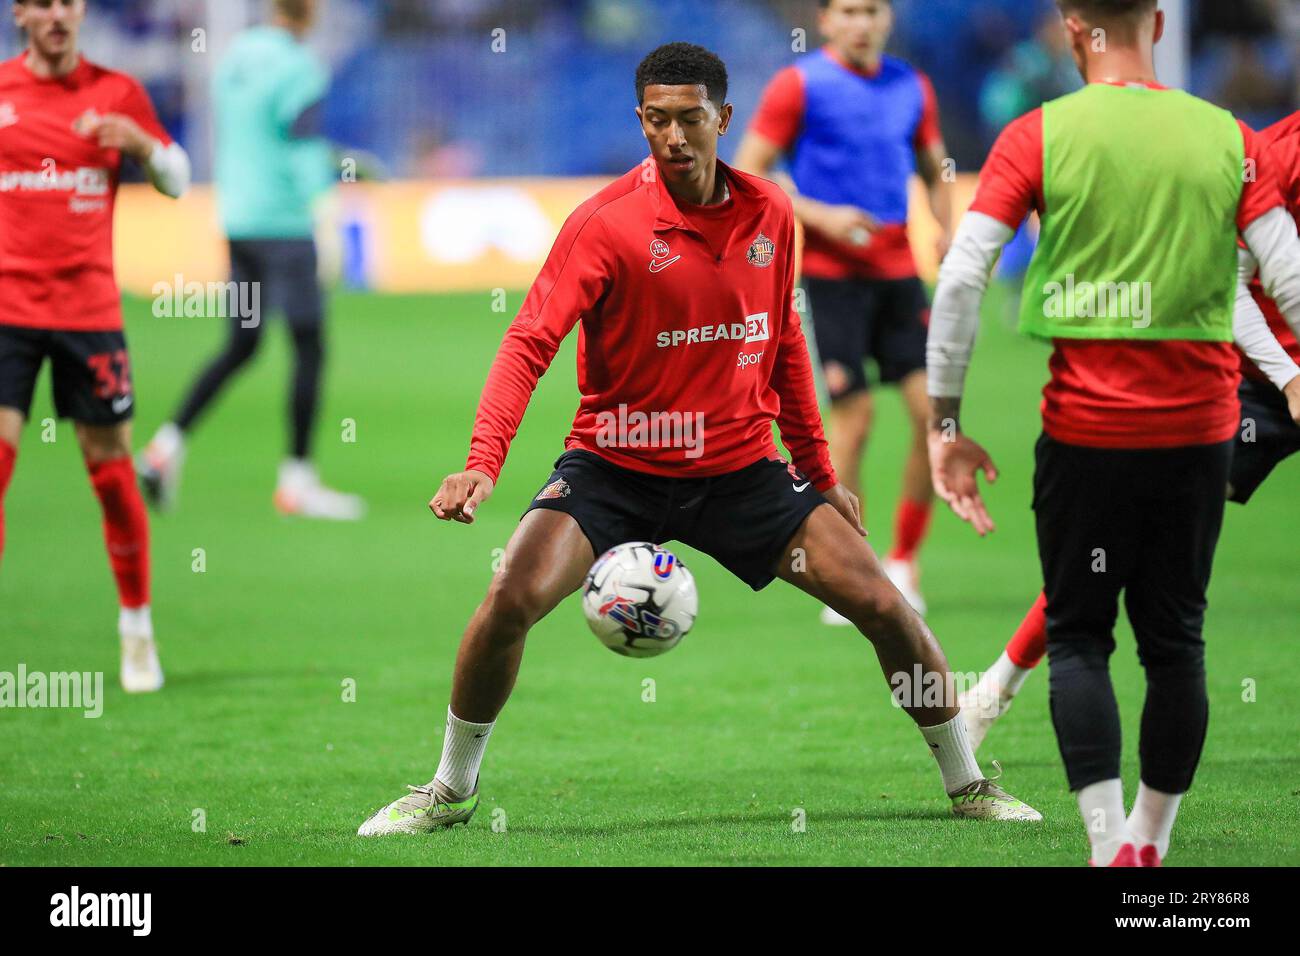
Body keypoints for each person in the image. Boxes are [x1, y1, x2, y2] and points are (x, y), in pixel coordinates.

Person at [357, 42, 1039, 837]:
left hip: (740, 470)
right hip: (614, 465)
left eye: (689, 119)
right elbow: (528, 342)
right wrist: (482, 464)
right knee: (509, 596)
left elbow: (783, 342)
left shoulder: (772, 214)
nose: (673, 137)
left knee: (883, 604)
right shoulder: (605, 225)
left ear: (723, 118)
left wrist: (818, 474)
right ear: (640, 120)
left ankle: (968, 784)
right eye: (656, 121)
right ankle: (449, 789)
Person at [925, 0, 1300, 866]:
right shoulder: (1230, 140)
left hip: (1084, 435)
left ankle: (1104, 848)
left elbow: (960, 281)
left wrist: (947, 423)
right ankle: (1150, 846)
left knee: (1082, 639)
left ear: (1070, 28)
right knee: (1178, 643)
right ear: (1159, 27)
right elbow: (1282, 269)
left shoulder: (1037, 136)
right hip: (1200, 433)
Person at [958, 111, 1300, 765]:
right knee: (1123, 542)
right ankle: (992, 695)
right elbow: (1228, 284)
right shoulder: (1276, 155)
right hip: (1254, 381)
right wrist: (1288, 378)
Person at [734, 0, 952, 619]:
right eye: (849, 11)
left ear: (887, 20)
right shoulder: (799, 85)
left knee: (933, 415)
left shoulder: (911, 86)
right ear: (826, 21)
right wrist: (822, 214)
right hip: (831, 281)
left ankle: (904, 560)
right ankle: (851, 569)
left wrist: (945, 227)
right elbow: (751, 172)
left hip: (900, 276)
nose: (862, 23)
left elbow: (937, 171)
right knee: (853, 420)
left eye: (873, 11)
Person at [0, 0, 190, 691]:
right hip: (8, 312)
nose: (57, 14)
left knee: (111, 474)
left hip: (88, 312)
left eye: (68, 2)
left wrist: (139, 146)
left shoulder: (118, 92)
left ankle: (136, 629)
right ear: (20, 13)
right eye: (42, 2)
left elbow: (178, 181)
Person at [137, 0, 363, 520]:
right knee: (309, 345)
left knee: (242, 343)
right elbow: (301, 145)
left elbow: (260, 136)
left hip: (238, 221)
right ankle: (297, 480)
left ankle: (164, 448)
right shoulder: (301, 66)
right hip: (284, 224)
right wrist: (325, 217)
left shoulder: (235, 56)